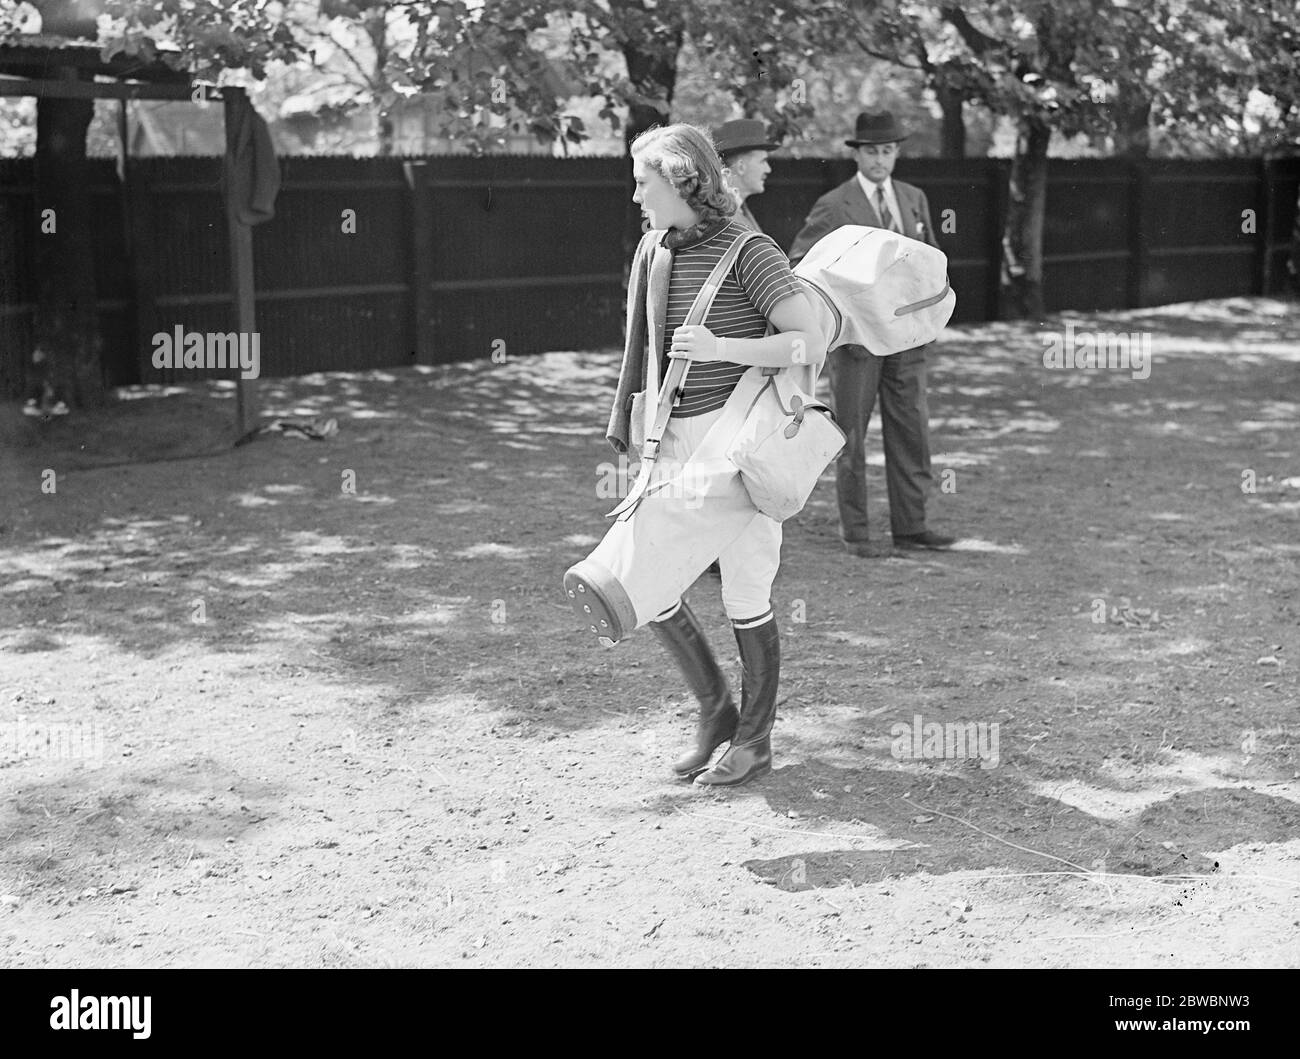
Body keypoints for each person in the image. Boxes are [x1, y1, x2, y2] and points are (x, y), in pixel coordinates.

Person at [609, 123, 826, 787]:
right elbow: (640, 351)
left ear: (678, 180)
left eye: (643, 180)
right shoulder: (655, 247)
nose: (635, 193)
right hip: (670, 436)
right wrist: (633, 432)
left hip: (738, 447)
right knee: (640, 577)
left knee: (746, 586)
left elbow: (807, 342)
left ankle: (753, 740)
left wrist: (723, 350)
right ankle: (716, 710)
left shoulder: (750, 251)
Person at [789, 110, 956, 556]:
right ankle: (857, 531)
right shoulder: (833, 204)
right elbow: (800, 266)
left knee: (912, 431)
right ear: (857, 154)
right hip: (858, 343)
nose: (879, 160)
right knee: (850, 434)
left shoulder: (914, 198)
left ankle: (912, 526)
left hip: (907, 341)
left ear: (896, 153)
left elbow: (929, 263)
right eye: (870, 152)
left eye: (886, 151)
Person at [712, 119, 779, 232]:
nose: (768, 169)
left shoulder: (737, 208)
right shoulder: (718, 213)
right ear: (741, 167)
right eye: (763, 161)